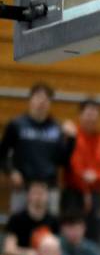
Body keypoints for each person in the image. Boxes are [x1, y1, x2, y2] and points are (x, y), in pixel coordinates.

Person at [0, 83, 75, 213]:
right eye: (38, 97)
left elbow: (63, 161)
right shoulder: (16, 124)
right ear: (30, 100)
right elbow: (2, 154)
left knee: (47, 230)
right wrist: (11, 172)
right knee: (20, 228)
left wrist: (72, 140)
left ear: (50, 103)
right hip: (23, 188)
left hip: (49, 188)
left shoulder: (57, 128)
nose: (41, 102)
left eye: (46, 99)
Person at [61, 98, 100, 244]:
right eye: (88, 113)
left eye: (94, 114)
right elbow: (68, 163)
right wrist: (84, 182)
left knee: (94, 235)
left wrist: (97, 176)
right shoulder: (71, 136)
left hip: (95, 193)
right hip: (73, 192)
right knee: (69, 235)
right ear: (80, 114)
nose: (91, 117)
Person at [3, 181, 60, 255]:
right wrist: (28, 253)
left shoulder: (54, 220)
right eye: (35, 193)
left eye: (42, 193)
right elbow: (9, 249)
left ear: (47, 196)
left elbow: (57, 248)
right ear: (28, 195)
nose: (39, 196)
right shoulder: (16, 219)